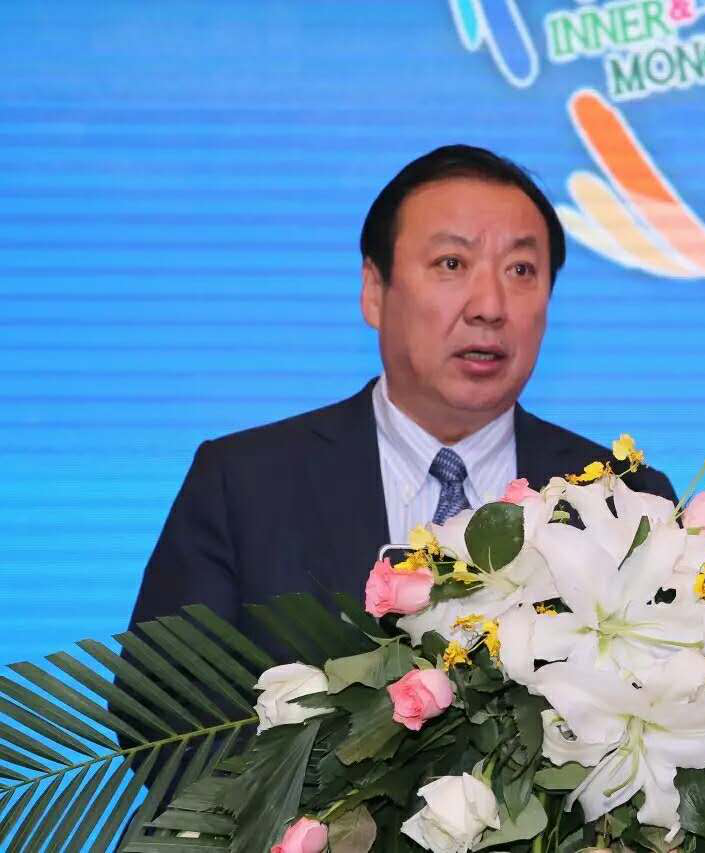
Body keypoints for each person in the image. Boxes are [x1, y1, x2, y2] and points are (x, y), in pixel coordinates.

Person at [126, 145, 676, 647]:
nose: (489, 306)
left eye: (521, 270)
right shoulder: (244, 487)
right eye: (451, 264)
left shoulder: (624, 500)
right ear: (374, 291)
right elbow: (162, 712)